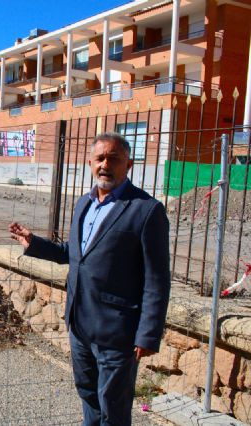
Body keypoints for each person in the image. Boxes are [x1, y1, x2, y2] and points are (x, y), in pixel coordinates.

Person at [9, 132, 170, 425]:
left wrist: (148, 333)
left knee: (113, 407)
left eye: (114, 158)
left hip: (117, 332)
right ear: (90, 163)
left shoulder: (146, 210)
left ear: (128, 165)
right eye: (99, 158)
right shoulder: (84, 203)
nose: (105, 164)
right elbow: (76, 254)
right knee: (88, 397)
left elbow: (157, 278)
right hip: (80, 325)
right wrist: (35, 244)